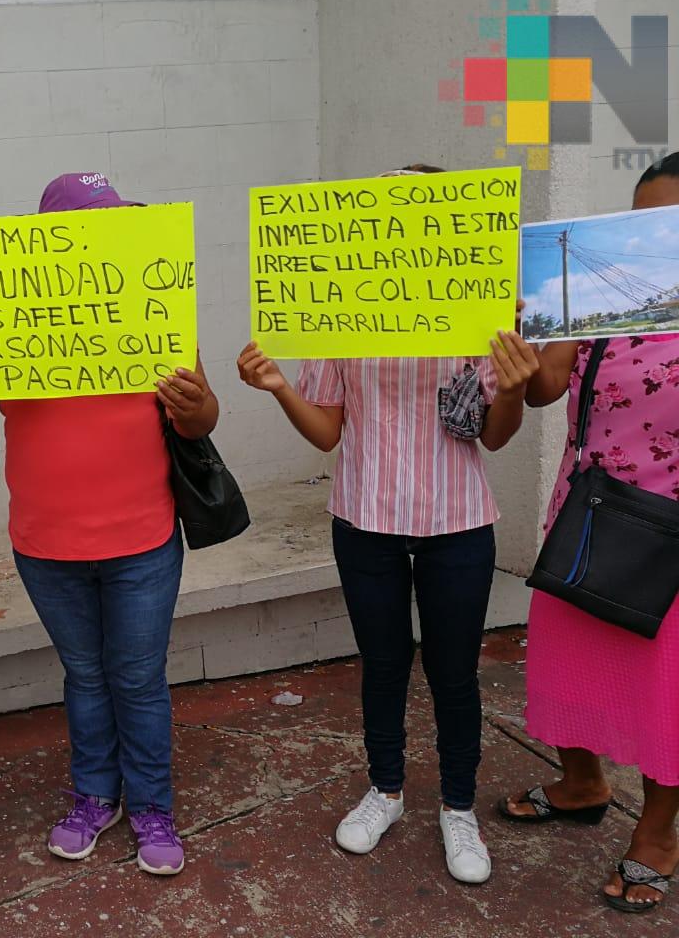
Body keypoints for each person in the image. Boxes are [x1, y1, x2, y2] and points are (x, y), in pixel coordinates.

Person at [237, 164, 539, 885]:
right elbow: (326, 433)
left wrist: (516, 388)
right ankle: (387, 791)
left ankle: (457, 806)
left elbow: (494, 436)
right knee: (382, 665)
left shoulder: (478, 315)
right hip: (365, 516)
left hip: (457, 519)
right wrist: (280, 386)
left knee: (454, 671)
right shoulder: (339, 311)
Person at [0, 173, 219, 876]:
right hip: (46, 544)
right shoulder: (4, 318)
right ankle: (95, 795)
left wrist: (196, 399)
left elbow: (203, 421)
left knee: (138, 679)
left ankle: (152, 805)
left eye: (110, 228)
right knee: (85, 677)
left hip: (143, 539)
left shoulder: (154, 308)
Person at [499, 153, 679, 913]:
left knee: (666, 694)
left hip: (670, 539)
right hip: (587, 518)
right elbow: (545, 391)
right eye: (636, 218)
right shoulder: (596, 293)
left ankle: (660, 835)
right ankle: (582, 784)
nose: (645, 234)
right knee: (568, 668)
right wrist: (519, 359)